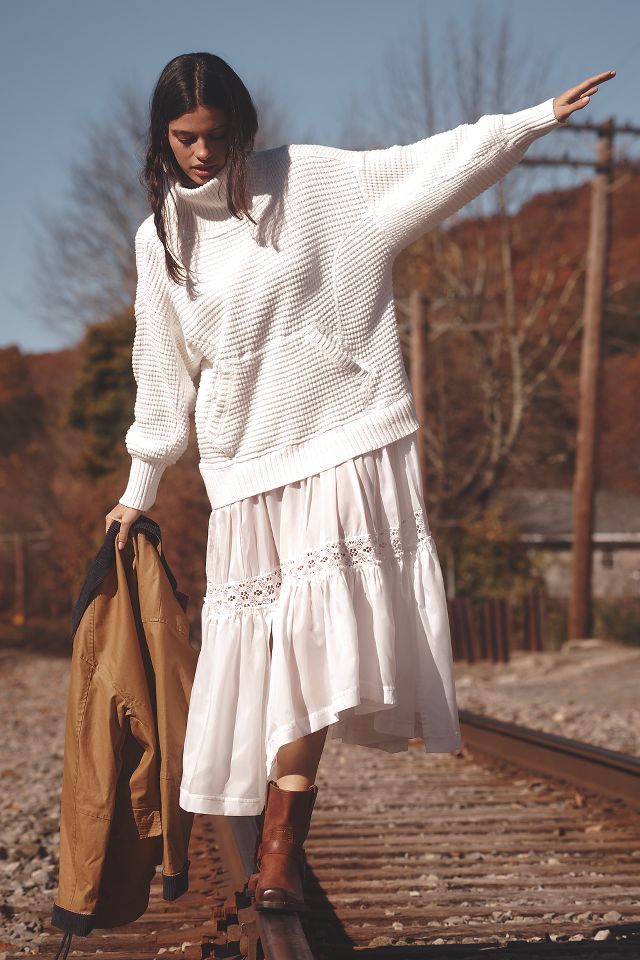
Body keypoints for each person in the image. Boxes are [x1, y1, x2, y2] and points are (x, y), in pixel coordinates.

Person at [105, 53, 615, 913]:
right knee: (262, 665)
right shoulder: (161, 241)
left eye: (216, 137)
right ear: (162, 137)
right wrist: (139, 484)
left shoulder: (305, 181)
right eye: (185, 138)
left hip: (338, 444)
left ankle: (277, 858)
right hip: (244, 470)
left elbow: (422, 167)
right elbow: (163, 374)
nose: (201, 153)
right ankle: (264, 842)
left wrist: (528, 121)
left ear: (242, 130)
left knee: (307, 659)